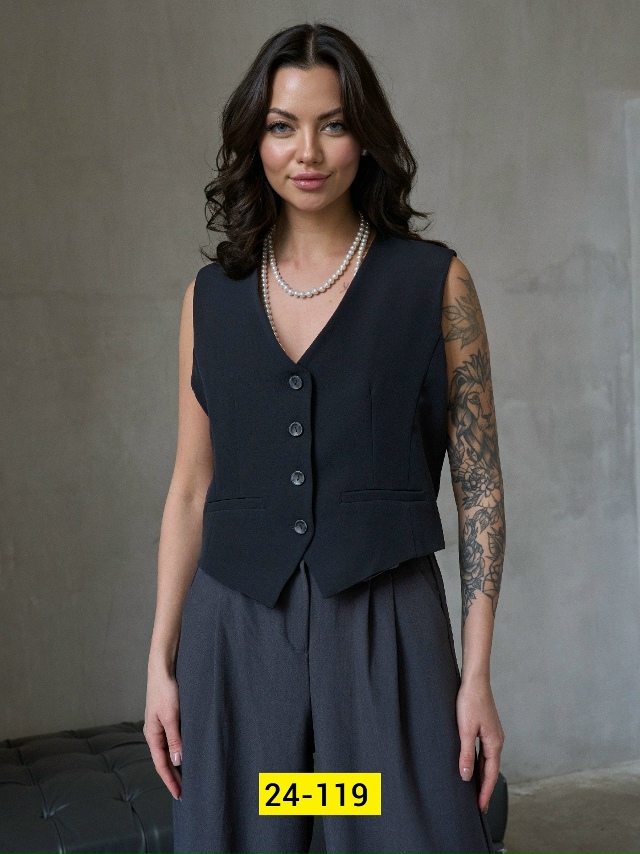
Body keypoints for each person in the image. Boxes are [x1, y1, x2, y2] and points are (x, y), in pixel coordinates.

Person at [144, 21, 506, 854]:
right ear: (256, 140)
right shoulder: (210, 299)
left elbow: (480, 487)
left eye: (332, 124)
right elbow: (191, 487)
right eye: (282, 126)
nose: (306, 152)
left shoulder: (435, 283)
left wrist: (478, 672)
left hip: (387, 626)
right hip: (237, 632)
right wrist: (159, 661)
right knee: (252, 830)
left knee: (396, 827)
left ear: (365, 138)